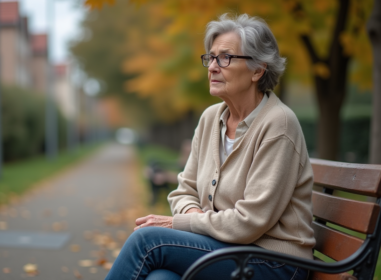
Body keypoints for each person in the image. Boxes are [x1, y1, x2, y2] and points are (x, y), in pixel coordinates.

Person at [105, 13, 315, 280]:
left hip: (274, 262)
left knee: (147, 241)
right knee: (160, 279)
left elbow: (249, 222)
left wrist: (182, 222)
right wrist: (195, 215)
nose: (213, 67)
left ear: (258, 70)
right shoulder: (210, 119)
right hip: (227, 249)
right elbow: (184, 191)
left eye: (225, 57)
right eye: (211, 57)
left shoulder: (278, 124)